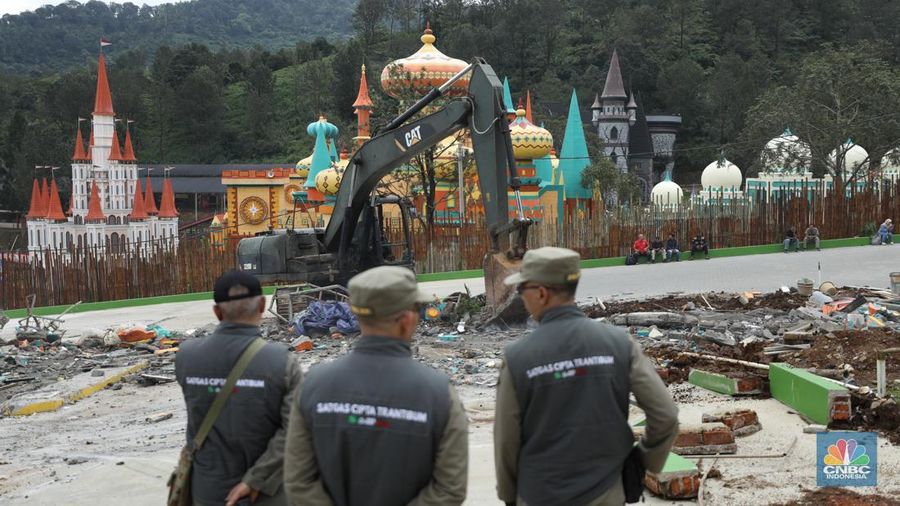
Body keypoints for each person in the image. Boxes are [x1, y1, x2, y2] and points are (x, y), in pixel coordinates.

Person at [494, 247, 679, 506]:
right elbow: (666, 415)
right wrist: (643, 462)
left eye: (521, 290)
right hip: (606, 493)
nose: (521, 298)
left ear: (541, 293)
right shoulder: (619, 344)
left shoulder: (517, 358)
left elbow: (506, 442)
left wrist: (509, 495)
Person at [284, 266, 468, 506]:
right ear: (407, 320)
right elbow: (449, 489)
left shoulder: (314, 386)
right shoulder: (439, 393)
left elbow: (298, 482)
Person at [175, 270, 301, 506]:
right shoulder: (281, 361)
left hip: (207, 491)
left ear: (217, 311)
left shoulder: (186, 356)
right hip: (265, 493)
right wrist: (255, 480)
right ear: (263, 305)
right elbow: (294, 432)